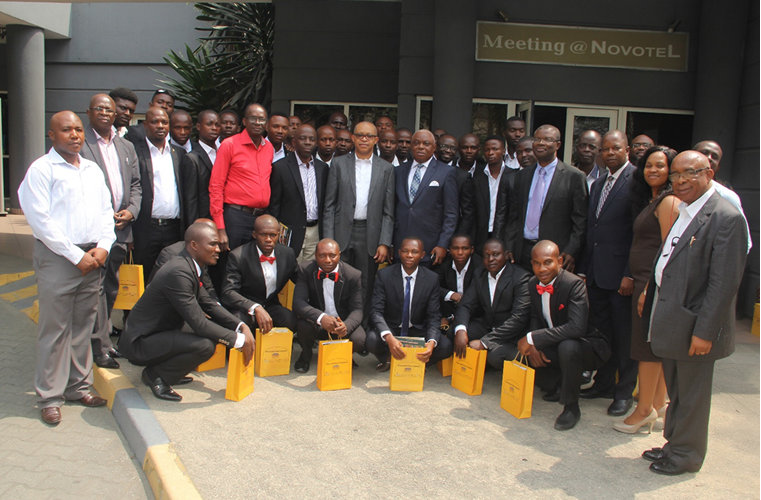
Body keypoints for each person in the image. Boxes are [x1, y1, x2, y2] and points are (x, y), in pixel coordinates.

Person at [640, 151, 748, 475]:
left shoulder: (727, 218)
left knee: (692, 396)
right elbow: (669, 259)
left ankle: (686, 456)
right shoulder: (686, 209)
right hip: (673, 318)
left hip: (695, 325)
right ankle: (675, 443)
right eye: (676, 175)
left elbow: (724, 284)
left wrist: (705, 332)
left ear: (709, 174)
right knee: (678, 391)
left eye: (690, 173)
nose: (681, 180)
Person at [18, 111, 116, 425]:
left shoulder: (91, 169)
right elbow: (41, 221)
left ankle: (78, 387)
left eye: (77, 129)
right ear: (51, 135)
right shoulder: (41, 170)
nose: (74, 135)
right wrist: (76, 256)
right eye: (66, 130)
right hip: (59, 259)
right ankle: (49, 396)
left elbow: (105, 212)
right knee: (54, 331)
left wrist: (103, 246)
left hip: (93, 258)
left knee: (82, 328)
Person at [119, 222, 255, 402]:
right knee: (205, 346)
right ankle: (157, 375)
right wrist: (237, 340)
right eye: (212, 244)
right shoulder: (179, 272)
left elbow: (208, 304)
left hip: (159, 331)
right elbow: (199, 323)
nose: (218, 249)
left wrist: (241, 325)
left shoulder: (188, 265)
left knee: (210, 337)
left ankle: (168, 370)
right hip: (140, 342)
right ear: (194, 245)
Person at [612, 146, 679, 434]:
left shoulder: (669, 202)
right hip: (643, 280)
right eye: (648, 165)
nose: (653, 170)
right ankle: (660, 403)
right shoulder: (652, 199)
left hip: (651, 284)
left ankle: (643, 411)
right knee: (653, 347)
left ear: (671, 171)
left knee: (646, 349)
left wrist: (649, 289)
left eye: (660, 166)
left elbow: (667, 249)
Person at [509, 241, 610, 430]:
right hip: (556, 341)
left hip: (589, 345)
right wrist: (534, 346)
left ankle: (571, 408)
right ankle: (559, 384)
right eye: (536, 263)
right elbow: (535, 316)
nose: (542, 269)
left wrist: (533, 339)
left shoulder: (574, 285)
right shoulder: (533, 284)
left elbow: (576, 328)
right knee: (525, 353)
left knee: (568, 347)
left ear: (560, 262)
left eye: (548, 262)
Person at [577, 131, 637, 417]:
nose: (610, 153)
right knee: (603, 335)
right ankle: (603, 383)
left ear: (627, 149)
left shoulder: (636, 180)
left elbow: (640, 234)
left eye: (616, 148)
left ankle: (623, 392)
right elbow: (593, 231)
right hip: (597, 275)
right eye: (606, 149)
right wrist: (585, 270)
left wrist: (630, 274)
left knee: (625, 337)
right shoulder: (599, 183)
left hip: (621, 278)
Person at [81, 94, 142, 369]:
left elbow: (137, 184)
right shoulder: (80, 144)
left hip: (121, 227)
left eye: (109, 109)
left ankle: (104, 340)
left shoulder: (126, 146)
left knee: (110, 287)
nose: (105, 113)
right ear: (89, 112)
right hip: (94, 231)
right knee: (94, 290)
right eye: (100, 109)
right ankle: (98, 347)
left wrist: (132, 210)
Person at [323, 121, 395, 324]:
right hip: (340, 233)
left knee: (364, 285)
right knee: (338, 282)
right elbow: (329, 205)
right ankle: (336, 326)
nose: (364, 139)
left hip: (369, 234)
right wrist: (329, 239)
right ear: (353, 138)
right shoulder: (338, 164)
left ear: (376, 140)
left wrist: (384, 242)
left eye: (369, 136)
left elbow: (388, 211)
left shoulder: (387, 169)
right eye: (360, 135)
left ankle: (359, 329)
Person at [505, 125, 588, 272]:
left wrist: (571, 250)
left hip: (555, 254)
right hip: (523, 251)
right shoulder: (523, 175)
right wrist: (510, 245)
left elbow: (580, 220)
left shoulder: (574, 176)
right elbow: (514, 215)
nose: (541, 143)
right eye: (537, 139)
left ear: (558, 145)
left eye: (547, 139)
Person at [366, 237, 454, 371]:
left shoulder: (431, 279)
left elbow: (434, 315)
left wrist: (430, 343)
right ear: (398, 253)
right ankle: (388, 359)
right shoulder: (384, 275)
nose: (409, 255)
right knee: (371, 340)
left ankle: (416, 362)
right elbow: (376, 311)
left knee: (446, 346)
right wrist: (389, 337)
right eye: (405, 251)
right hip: (393, 328)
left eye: (415, 252)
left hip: (417, 329)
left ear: (422, 255)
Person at [292, 239, 366, 373]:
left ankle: (342, 355)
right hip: (317, 322)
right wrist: (321, 318)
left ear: (339, 255)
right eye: (322, 255)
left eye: (332, 255)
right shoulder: (305, 270)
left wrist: (346, 326)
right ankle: (306, 354)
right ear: (315, 255)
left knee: (359, 339)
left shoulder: (353, 275)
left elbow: (357, 310)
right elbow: (298, 303)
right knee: (302, 325)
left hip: (341, 322)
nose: (327, 260)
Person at [131, 107, 187, 281]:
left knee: (172, 278)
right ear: (145, 125)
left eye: (164, 122)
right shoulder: (135, 152)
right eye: (155, 122)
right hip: (147, 228)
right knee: (142, 278)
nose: (160, 126)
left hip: (173, 229)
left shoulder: (179, 154)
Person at [209, 103, 273, 252]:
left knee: (252, 267)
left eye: (262, 119)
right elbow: (216, 186)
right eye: (253, 118)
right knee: (230, 267)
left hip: (260, 218)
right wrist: (220, 227)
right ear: (244, 121)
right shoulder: (229, 145)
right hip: (236, 217)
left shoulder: (268, 148)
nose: (257, 123)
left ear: (267, 123)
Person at [454, 238, 531, 360]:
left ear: (506, 255)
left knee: (494, 356)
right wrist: (461, 330)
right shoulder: (480, 274)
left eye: (496, 255)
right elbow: (466, 305)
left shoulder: (521, 278)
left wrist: (484, 342)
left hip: (510, 333)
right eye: (486, 256)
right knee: (455, 333)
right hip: (488, 325)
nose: (490, 259)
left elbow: (519, 318)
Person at [221, 215, 298, 333]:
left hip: (270, 305)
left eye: (273, 235)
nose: (268, 239)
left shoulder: (287, 254)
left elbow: (300, 278)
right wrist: (254, 307)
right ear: (254, 234)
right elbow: (228, 292)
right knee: (239, 322)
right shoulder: (238, 256)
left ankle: (279, 350)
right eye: (263, 234)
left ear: (279, 234)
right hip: (245, 308)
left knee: (289, 319)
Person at [394, 129, 459, 267]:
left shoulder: (446, 172)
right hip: (401, 243)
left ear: (434, 147)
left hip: (430, 245)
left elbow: (451, 213)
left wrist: (443, 244)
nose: (421, 147)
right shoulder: (399, 171)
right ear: (411, 146)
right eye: (416, 143)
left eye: (426, 143)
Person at [269, 124, 329, 263]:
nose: (307, 142)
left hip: (315, 231)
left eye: (312, 139)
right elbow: (274, 205)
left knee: (309, 273)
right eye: (303, 138)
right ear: (294, 142)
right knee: (287, 272)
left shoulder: (323, 168)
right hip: (289, 231)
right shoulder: (280, 167)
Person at [693, 140, 752, 253]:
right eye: (704, 152)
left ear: (718, 167)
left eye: (714, 157)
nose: (709, 158)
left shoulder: (726, 195)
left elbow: (744, 242)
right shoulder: (675, 187)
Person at [150, 219, 219, 300]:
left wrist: (216, 303)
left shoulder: (203, 254)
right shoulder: (171, 255)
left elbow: (207, 286)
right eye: (212, 243)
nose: (217, 249)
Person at [474, 136, 517, 251]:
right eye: (487, 150)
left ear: (503, 151)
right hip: (481, 235)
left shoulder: (514, 176)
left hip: (505, 235)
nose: (490, 153)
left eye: (495, 149)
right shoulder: (477, 177)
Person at [437, 234, 482, 329]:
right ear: (450, 250)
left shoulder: (480, 266)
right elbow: (431, 285)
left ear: (472, 250)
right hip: (448, 310)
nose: (460, 252)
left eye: (465, 248)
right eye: (456, 248)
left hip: (474, 314)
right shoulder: (444, 264)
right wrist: (451, 294)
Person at [182, 110, 220, 222]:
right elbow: (191, 199)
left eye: (217, 125)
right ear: (198, 126)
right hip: (203, 220)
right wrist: (194, 226)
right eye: (209, 124)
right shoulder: (192, 158)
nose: (214, 128)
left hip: (223, 218)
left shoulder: (222, 153)